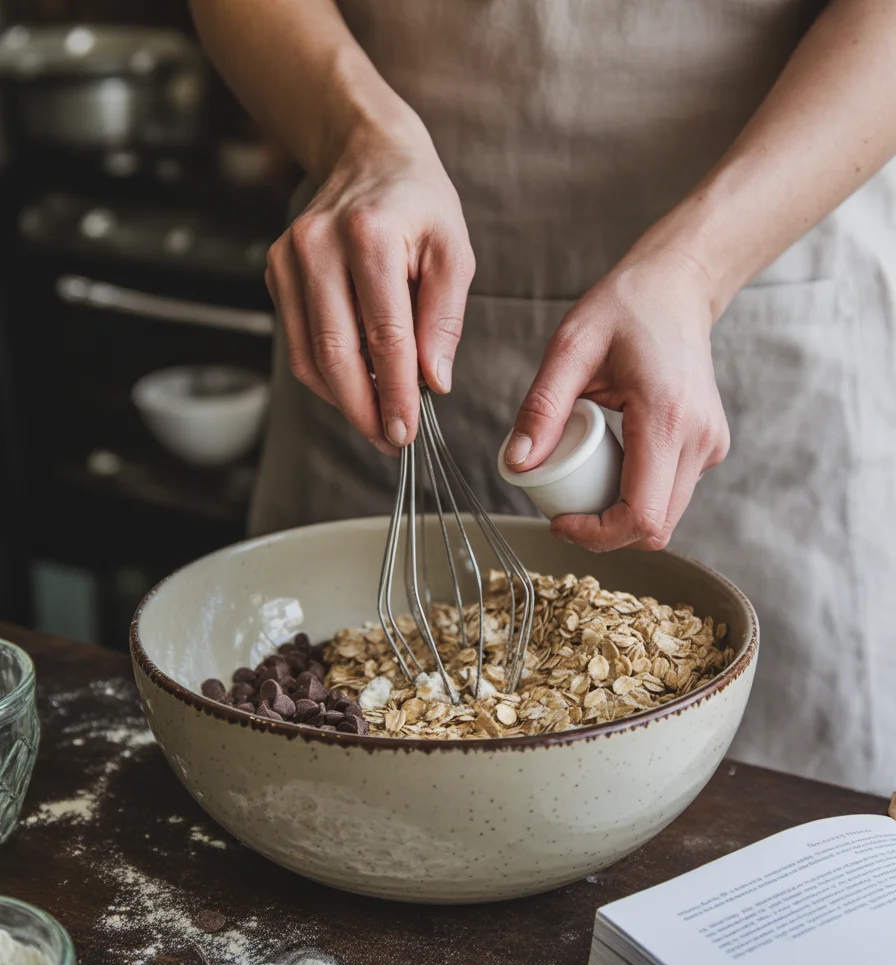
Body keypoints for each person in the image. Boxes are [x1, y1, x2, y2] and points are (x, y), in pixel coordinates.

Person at [190, 0, 896, 797]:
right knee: (341, 819)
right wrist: (356, 135)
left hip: (768, 263)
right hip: (389, 288)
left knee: (773, 840)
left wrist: (697, 269)